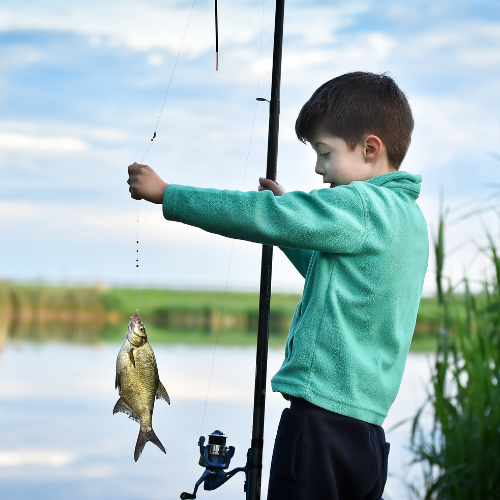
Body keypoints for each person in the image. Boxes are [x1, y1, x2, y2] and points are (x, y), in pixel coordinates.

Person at [126, 71, 429, 500]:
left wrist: (168, 195)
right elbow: (340, 279)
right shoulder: (409, 221)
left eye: (325, 153)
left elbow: (259, 214)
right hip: (366, 438)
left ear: (370, 148)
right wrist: (292, 227)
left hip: (318, 427)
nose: (319, 170)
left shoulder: (360, 204)